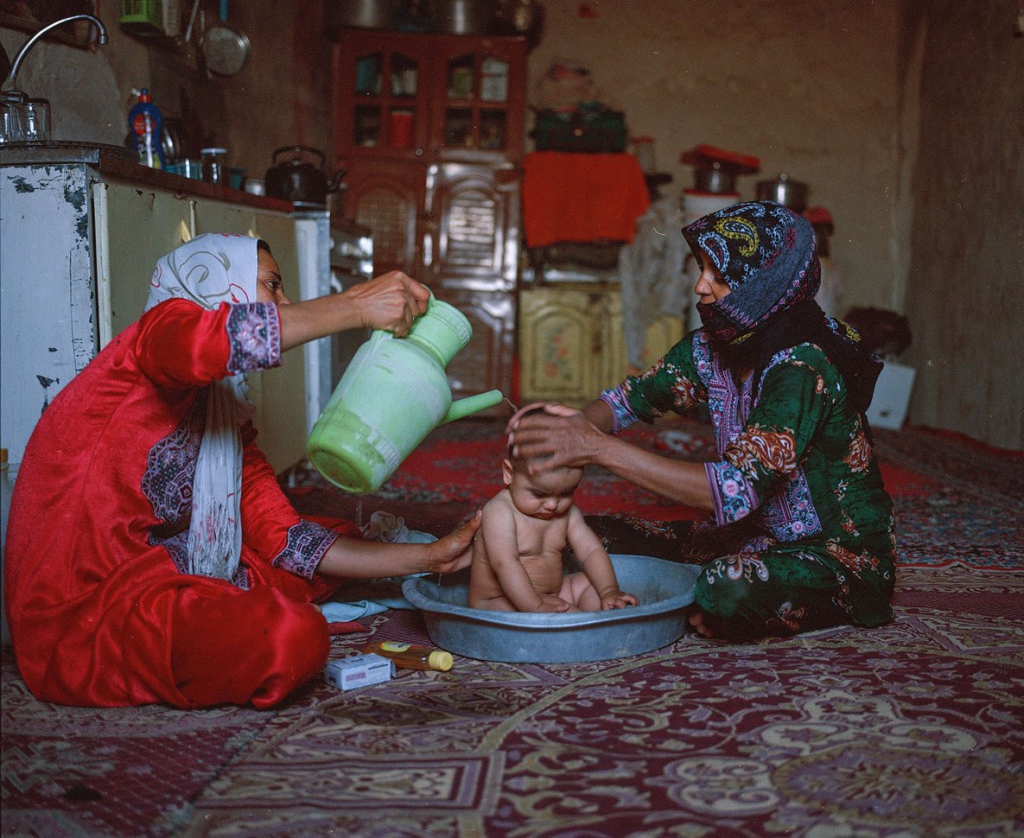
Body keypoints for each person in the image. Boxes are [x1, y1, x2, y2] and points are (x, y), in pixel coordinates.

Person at [4, 233, 480, 709]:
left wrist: (430, 559)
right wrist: (355, 306)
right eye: (272, 285)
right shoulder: (156, 336)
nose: (285, 302)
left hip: (169, 570)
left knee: (317, 546)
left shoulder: (224, 415)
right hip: (89, 614)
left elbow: (285, 537)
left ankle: (233, 609)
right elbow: (205, 342)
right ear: (215, 284)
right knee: (290, 636)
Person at [509, 200, 895, 640]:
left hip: (833, 554)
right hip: (747, 538)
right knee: (582, 537)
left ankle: (730, 598)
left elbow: (738, 490)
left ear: (765, 285)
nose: (700, 287)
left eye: (720, 276)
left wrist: (594, 448)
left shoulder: (803, 368)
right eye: (701, 269)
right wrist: (562, 429)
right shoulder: (709, 348)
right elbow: (628, 401)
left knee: (724, 587)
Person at [469, 413, 638, 613]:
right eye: (539, 494)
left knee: (589, 585)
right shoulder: (499, 511)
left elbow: (591, 551)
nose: (552, 505)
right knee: (566, 615)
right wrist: (535, 605)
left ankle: (602, 615)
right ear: (509, 473)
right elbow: (504, 564)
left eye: (566, 493)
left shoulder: (567, 512)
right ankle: (587, 627)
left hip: (553, 594)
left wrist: (608, 590)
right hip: (499, 601)